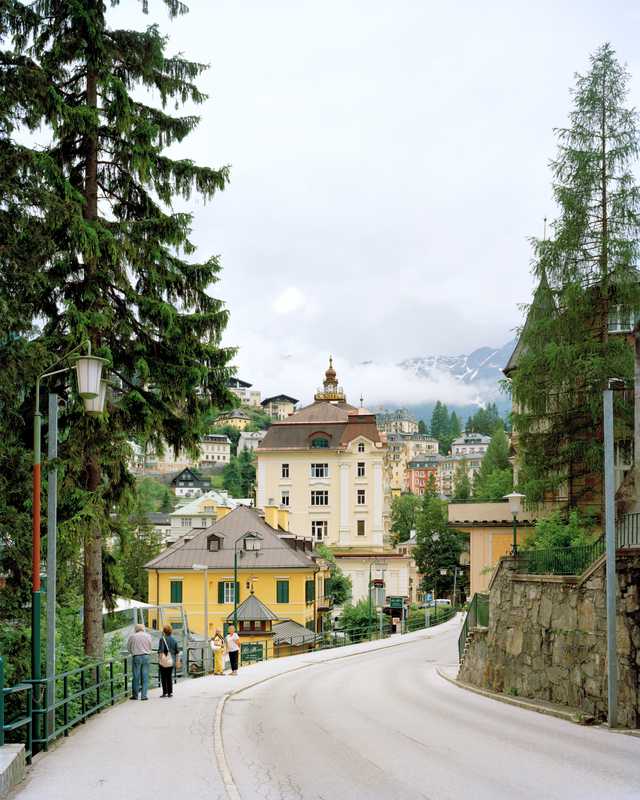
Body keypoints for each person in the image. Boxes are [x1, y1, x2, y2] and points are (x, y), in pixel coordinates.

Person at [127, 623, 153, 700]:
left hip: (136, 656)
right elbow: (150, 646)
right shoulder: (148, 636)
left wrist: (133, 652)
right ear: (143, 629)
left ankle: (135, 695)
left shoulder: (132, 636)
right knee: (145, 676)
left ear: (136, 629)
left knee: (136, 676)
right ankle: (144, 696)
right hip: (146, 656)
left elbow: (128, 647)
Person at [158, 623, 180, 698]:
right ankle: (170, 693)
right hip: (172, 661)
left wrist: (160, 660)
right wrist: (177, 661)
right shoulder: (174, 640)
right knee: (169, 676)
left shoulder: (162, 639)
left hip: (164, 660)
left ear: (164, 631)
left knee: (163, 677)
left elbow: (160, 651)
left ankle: (165, 692)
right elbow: (177, 652)